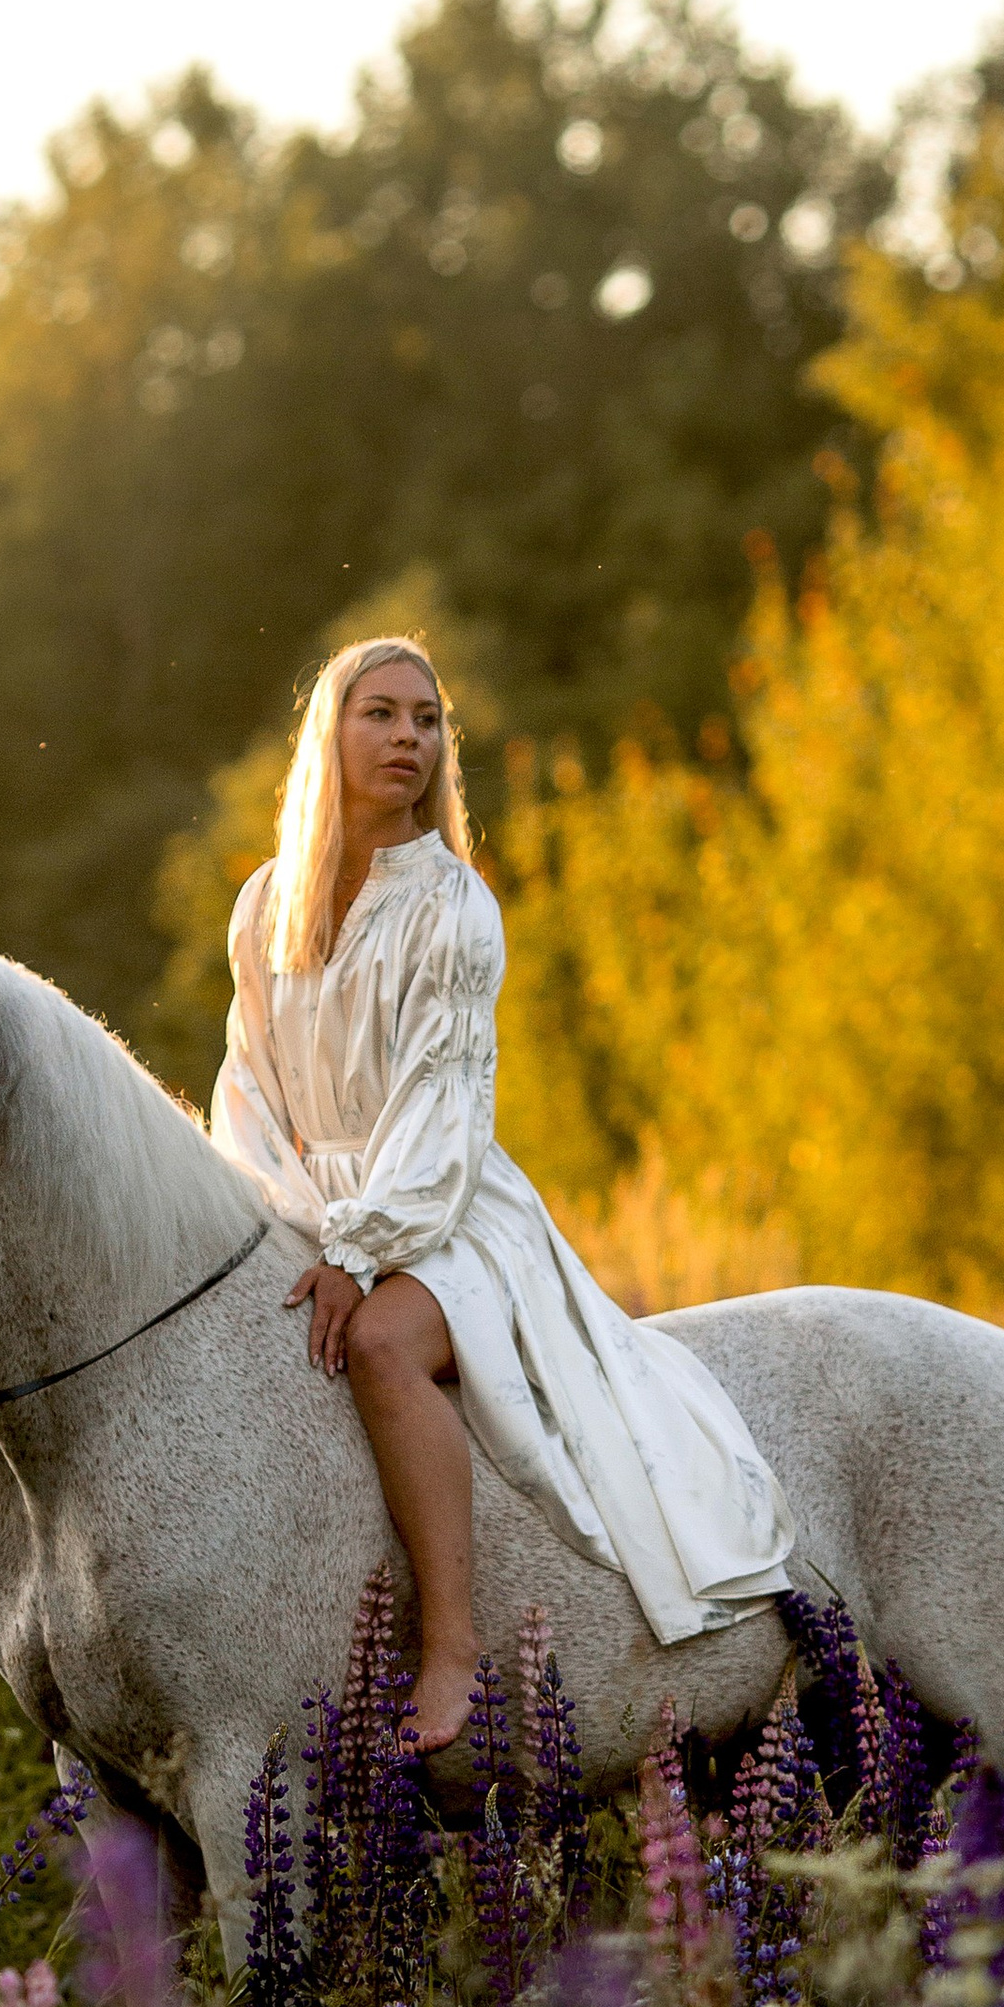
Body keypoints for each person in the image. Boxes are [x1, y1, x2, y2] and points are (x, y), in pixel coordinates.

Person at [211, 631, 796, 1748]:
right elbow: (245, 1084)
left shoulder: (455, 906)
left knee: (380, 1344)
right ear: (326, 734)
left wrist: (358, 1250)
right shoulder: (261, 906)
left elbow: (441, 1107)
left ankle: (451, 1650)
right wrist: (278, 1220)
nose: (408, 738)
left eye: (427, 720)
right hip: (300, 1205)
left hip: (440, 1214)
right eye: (379, 713)